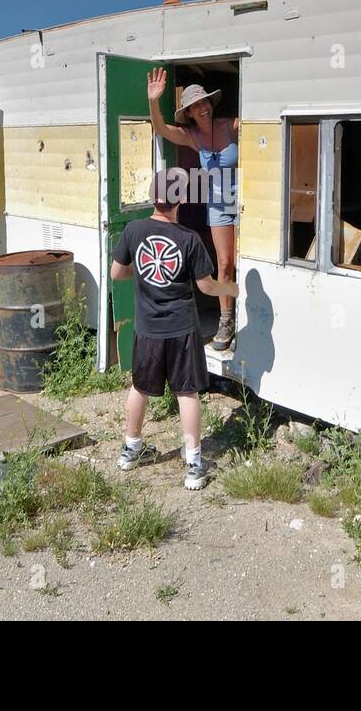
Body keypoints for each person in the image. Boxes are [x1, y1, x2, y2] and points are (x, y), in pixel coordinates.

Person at [111, 166, 239, 490]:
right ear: (179, 198)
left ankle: (131, 450)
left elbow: (116, 273)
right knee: (187, 391)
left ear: (153, 197)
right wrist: (233, 291)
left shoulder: (133, 230)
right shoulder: (189, 239)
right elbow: (207, 287)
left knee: (139, 387)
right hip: (182, 329)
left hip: (147, 329)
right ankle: (194, 464)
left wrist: (141, 274)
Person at [146, 66, 240, 350]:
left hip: (246, 199)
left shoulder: (232, 125)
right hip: (219, 203)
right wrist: (153, 100)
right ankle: (226, 318)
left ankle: (251, 316)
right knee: (225, 264)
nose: (203, 107)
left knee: (247, 262)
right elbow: (160, 129)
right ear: (188, 113)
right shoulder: (192, 137)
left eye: (205, 101)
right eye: (195, 105)